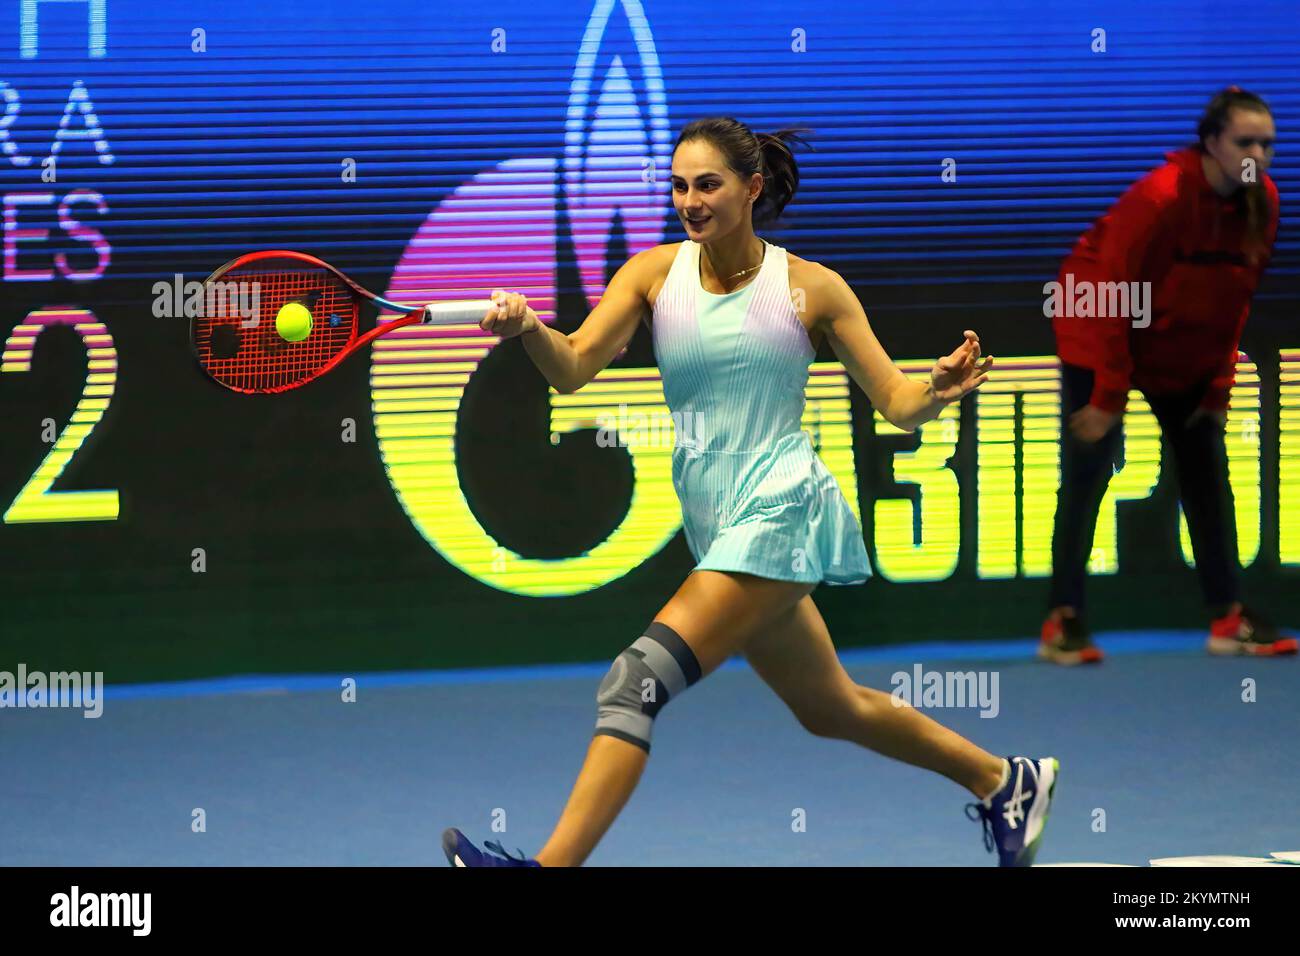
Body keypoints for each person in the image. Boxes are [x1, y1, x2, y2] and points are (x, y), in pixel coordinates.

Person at [443, 117, 1057, 867]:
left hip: (782, 510)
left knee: (633, 684)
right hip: (717, 521)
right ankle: (1003, 779)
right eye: (678, 186)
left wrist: (937, 387)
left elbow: (896, 402)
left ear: (751, 188)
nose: (690, 201)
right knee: (831, 708)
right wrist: (530, 325)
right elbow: (571, 367)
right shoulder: (651, 275)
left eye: (708, 184)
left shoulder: (810, 289)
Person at [1041, 87, 1296, 665]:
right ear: (1211, 143)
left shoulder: (1265, 202)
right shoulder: (1160, 198)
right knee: (1090, 468)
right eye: (1244, 142)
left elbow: (1236, 301)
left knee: (1205, 468)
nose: (1258, 154)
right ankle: (1063, 622)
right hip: (1097, 318)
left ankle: (1228, 618)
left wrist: (1218, 385)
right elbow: (1110, 293)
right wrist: (1107, 394)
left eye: (1268, 144)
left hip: (1174, 339)